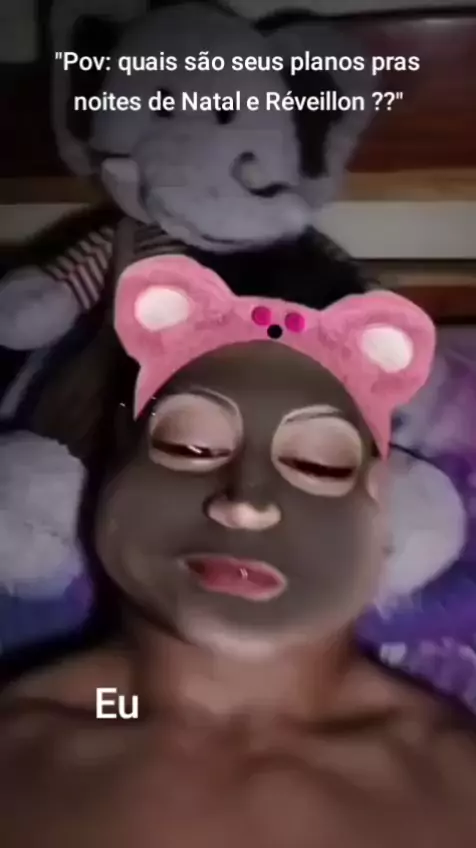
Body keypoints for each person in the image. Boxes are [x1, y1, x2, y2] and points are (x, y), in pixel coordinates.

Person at [1, 233, 476, 848]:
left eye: (317, 462)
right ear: (116, 457)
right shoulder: (27, 750)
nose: (245, 504)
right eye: (192, 446)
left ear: (382, 493)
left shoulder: (455, 776)